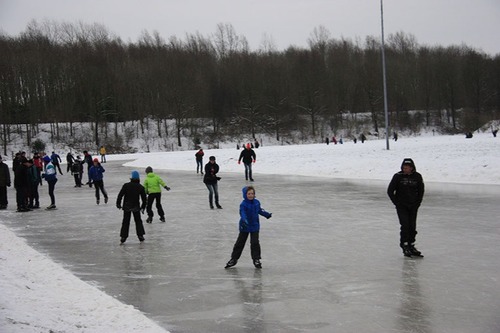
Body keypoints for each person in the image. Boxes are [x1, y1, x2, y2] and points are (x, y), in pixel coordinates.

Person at [225, 186, 272, 269]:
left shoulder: (257, 202)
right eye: (249, 194)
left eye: (252, 194)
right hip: (245, 226)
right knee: (240, 243)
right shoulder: (243, 204)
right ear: (245, 194)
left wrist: (267, 214)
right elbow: (242, 213)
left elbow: (260, 210)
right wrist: (244, 220)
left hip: (255, 225)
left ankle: (256, 259)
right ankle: (234, 259)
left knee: (255, 243)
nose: (251, 195)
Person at [387, 158, 425, 258]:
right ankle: (404, 245)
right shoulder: (397, 177)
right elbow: (390, 191)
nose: (405, 169)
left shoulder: (417, 176)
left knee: (412, 226)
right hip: (402, 206)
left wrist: (418, 203)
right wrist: (397, 203)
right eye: (404, 167)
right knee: (405, 225)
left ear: (412, 168)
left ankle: (411, 245)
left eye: (407, 168)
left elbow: (421, 191)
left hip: (413, 206)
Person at [116, 170, 147, 244]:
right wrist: (143, 207)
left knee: (126, 221)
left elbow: (120, 195)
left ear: (131, 177)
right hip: (136, 206)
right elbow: (144, 199)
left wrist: (118, 203)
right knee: (138, 221)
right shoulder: (140, 187)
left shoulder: (126, 185)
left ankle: (123, 236)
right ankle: (140, 235)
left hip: (127, 206)